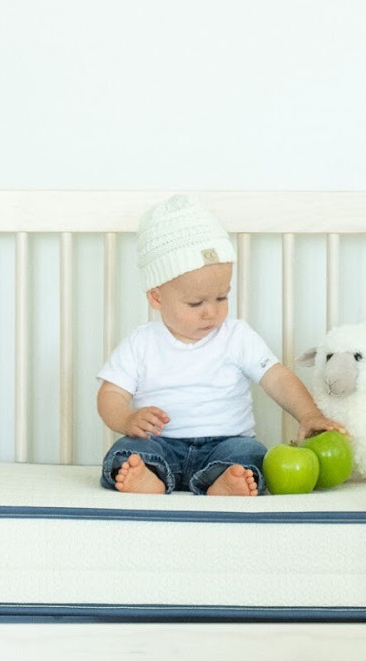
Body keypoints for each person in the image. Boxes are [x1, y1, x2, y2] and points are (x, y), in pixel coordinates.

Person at [96, 195, 345, 495]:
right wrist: (126, 418)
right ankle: (150, 477)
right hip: (160, 443)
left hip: (226, 443)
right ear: (156, 298)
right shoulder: (142, 342)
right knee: (124, 452)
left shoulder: (237, 336)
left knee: (251, 454)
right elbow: (110, 393)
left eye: (221, 298)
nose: (211, 311)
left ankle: (224, 481)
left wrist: (309, 415)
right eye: (195, 302)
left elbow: (277, 377)